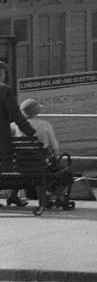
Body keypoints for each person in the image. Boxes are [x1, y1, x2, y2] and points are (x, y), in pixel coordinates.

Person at [1, 60, 38, 208]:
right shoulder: (4, 90)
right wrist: (31, 133)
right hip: (2, 141)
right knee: (10, 165)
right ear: (2, 73)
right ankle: (13, 196)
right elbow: (16, 116)